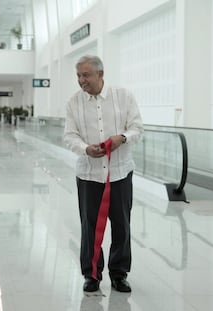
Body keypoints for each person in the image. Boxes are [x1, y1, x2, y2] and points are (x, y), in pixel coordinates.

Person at [64, 55, 143, 292]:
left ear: (100, 74)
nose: (81, 80)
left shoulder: (124, 96)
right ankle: (92, 275)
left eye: (86, 75)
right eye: (78, 76)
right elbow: (69, 136)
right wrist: (85, 149)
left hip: (120, 174)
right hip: (89, 176)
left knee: (122, 226)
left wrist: (122, 138)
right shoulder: (74, 103)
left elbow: (137, 128)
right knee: (89, 227)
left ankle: (119, 274)